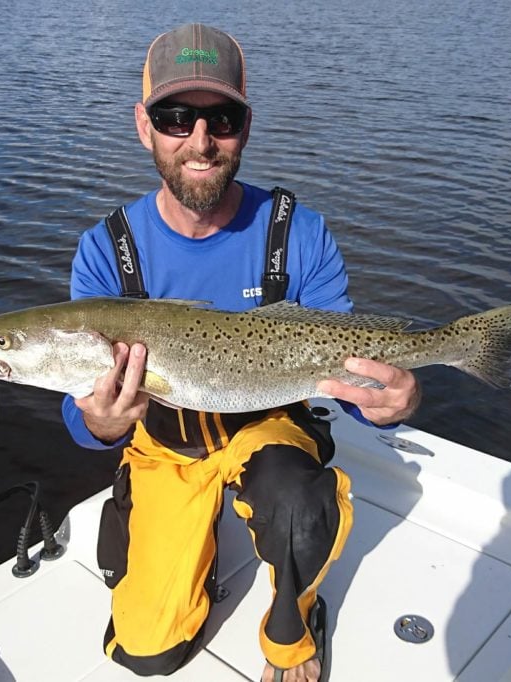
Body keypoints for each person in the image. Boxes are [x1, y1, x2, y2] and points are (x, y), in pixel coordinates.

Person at [61, 23, 420, 682]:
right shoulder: (106, 251)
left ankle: (293, 624)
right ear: (145, 127)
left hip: (269, 424)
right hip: (166, 441)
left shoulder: (299, 234)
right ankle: (152, 521)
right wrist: (102, 422)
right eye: (176, 117)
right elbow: (80, 411)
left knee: (297, 502)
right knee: (147, 650)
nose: (200, 140)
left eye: (220, 118)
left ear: (245, 127)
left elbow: (353, 377)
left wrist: (391, 405)